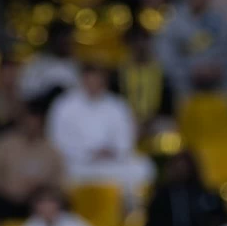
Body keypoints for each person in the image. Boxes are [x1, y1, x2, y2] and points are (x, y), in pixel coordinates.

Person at [47, 65, 155, 201]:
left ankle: (129, 211)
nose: (94, 83)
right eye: (90, 79)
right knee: (63, 173)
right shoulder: (64, 105)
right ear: (82, 79)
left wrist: (113, 151)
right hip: (78, 164)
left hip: (111, 162)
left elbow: (126, 138)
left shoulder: (117, 105)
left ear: (104, 81)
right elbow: (57, 140)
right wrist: (88, 153)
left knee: (143, 167)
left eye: (98, 79)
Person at [157, 0, 227, 105]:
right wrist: (190, 71)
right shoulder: (174, 21)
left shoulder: (220, 20)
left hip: (217, 79)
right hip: (185, 81)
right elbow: (166, 59)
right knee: (177, 89)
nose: (202, 0)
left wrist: (217, 69)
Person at [0, 100, 65, 220]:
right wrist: (4, 189)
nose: (32, 126)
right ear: (21, 121)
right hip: (4, 200)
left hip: (36, 204)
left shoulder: (51, 150)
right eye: (28, 122)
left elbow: (59, 183)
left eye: (36, 123)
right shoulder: (3, 144)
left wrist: (41, 188)